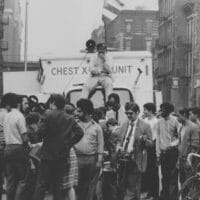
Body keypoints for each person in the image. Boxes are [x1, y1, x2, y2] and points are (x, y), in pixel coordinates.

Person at [33, 94, 84, 200]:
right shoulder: (69, 118)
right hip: (62, 156)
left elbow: (39, 133)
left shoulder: (47, 114)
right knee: (58, 185)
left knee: (41, 184)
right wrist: (69, 144)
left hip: (47, 155)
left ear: (53, 103)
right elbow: (80, 132)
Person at [117, 102, 152, 200]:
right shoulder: (124, 124)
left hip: (136, 160)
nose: (128, 115)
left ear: (137, 113)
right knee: (124, 186)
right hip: (123, 160)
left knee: (131, 187)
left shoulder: (145, 126)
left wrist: (144, 140)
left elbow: (151, 144)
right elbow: (120, 141)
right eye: (127, 113)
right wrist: (119, 147)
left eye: (130, 113)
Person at [74, 98, 104, 200]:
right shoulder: (74, 125)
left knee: (90, 186)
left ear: (86, 112)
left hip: (92, 159)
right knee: (77, 185)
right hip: (77, 158)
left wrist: (99, 160)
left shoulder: (97, 127)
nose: (76, 113)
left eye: (79, 111)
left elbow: (100, 144)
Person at [3, 93, 30, 200]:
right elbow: (24, 136)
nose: (26, 106)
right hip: (18, 149)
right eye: (25, 103)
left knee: (10, 180)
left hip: (7, 148)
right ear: (19, 104)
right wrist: (29, 144)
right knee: (22, 180)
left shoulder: (7, 116)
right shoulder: (19, 116)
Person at [156, 102, 179, 200]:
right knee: (164, 177)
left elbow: (180, 137)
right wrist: (157, 153)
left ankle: (173, 197)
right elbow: (157, 137)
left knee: (173, 177)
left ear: (169, 111)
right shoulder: (159, 122)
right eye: (161, 109)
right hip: (163, 153)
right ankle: (165, 197)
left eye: (164, 110)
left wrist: (172, 145)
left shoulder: (175, 121)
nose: (161, 112)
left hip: (172, 152)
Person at [177, 108, 200, 185]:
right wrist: (178, 159)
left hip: (189, 160)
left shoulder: (193, 127)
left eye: (179, 116)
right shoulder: (181, 127)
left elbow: (195, 145)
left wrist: (189, 159)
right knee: (182, 182)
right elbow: (181, 144)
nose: (177, 118)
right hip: (181, 158)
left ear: (184, 115)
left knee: (190, 183)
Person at [142, 103, 159, 200]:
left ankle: (154, 193)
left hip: (152, 147)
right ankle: (149, 191)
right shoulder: (144, 121)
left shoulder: (156, 121)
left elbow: (155, 136)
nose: (144, 111)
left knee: (153, 171)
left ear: (150, 111)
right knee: (147, 170)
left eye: (145, 110)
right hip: (145, 147)